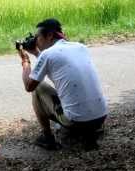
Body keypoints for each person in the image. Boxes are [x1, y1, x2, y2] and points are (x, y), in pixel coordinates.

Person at [17, 18, 108, 150]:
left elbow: (29, 86)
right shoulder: (80, 47)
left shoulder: (48, 54)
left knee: (38, 88)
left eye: (37, 37)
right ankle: (90, 132)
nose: (36, 41)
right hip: (100, 117)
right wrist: (36, 53)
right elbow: (54, 64)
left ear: (49, 36)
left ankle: (48, 138)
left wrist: (25, 60)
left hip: (76, 121)